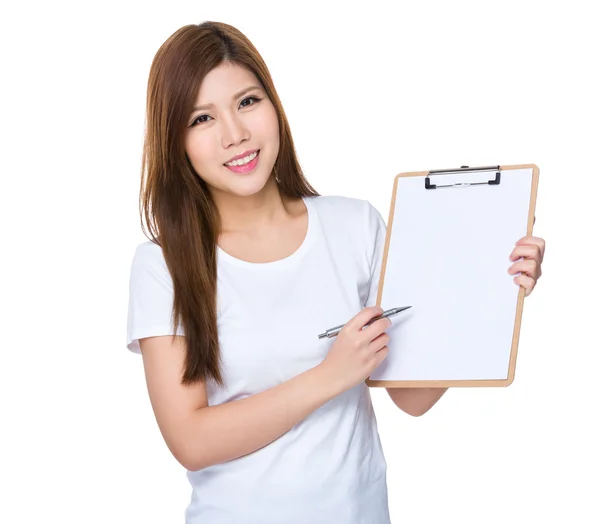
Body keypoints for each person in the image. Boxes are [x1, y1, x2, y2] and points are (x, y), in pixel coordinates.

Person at [125, 21, 546, 524]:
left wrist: (488, 285)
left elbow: (413, 396)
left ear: (273, 105)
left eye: (247, 102)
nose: (234, 135)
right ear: (177, 141)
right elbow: (191, 441)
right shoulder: (163, 265)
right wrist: (330, 375)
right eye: (202, 118)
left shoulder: (354, 225)